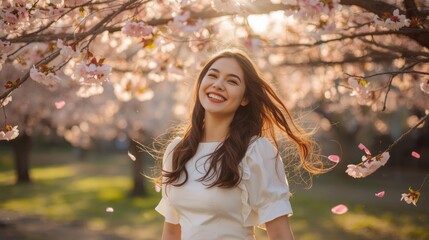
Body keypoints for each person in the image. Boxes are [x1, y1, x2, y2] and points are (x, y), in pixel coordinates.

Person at [155, 49, 326, 240]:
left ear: (245, 98)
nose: (218, 84)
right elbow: (171, 232)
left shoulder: (256, 152)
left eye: (232, 81)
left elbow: (280, 234)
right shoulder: (177, 151)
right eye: (212, 75)